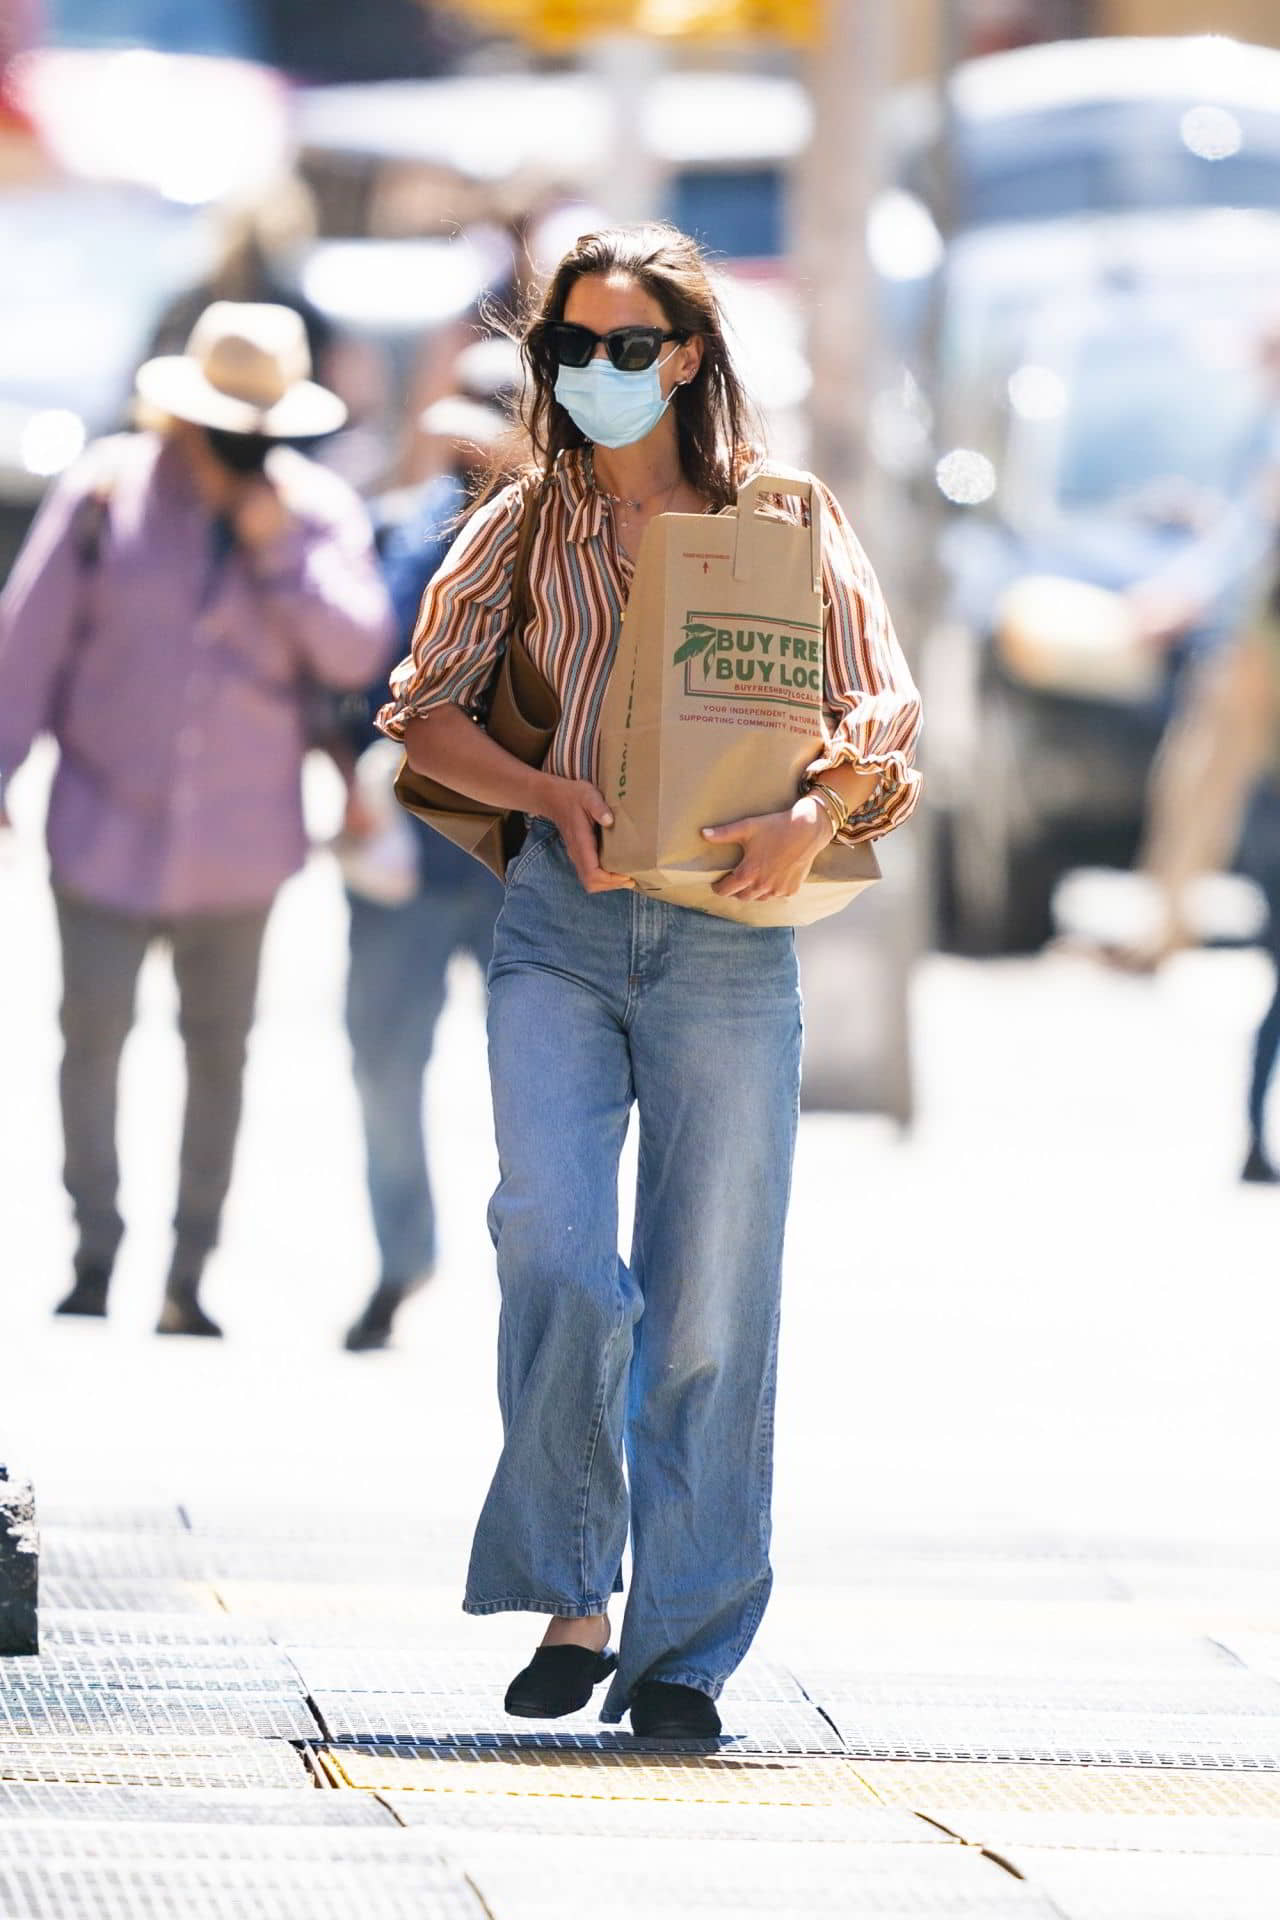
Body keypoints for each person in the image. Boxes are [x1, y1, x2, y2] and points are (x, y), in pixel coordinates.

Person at [378, 225, 921, 1739]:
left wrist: (814, 814)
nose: (595, 375)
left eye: (628, 348)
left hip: (730, 945)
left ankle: (684, 1654)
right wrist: (549, 797)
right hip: (560, 924)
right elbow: (421, 713)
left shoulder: (785, 518)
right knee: (553, 1248)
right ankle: (573, 1594)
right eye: (570, 349)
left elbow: (881, 703)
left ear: (687, 355)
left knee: (707, 1306)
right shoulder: (525, 521)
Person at [0, 302, 393, 1335]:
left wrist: (272, 547)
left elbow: (357, 651)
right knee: (89, 1040)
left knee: (218, 1054)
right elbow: (27, 645)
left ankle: (189, 1271)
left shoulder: (313, 513)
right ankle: (94, 1252)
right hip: (99, 825)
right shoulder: (104, 493)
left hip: (240, 846)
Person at [340, 369, 521, 1352]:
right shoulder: (393, 533)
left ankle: (532, 1273)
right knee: (382, 1065)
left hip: (512, 858)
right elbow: (348, 674)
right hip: (405, 848)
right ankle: (398, 1261)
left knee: (536, 1081)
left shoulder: (563, 548)